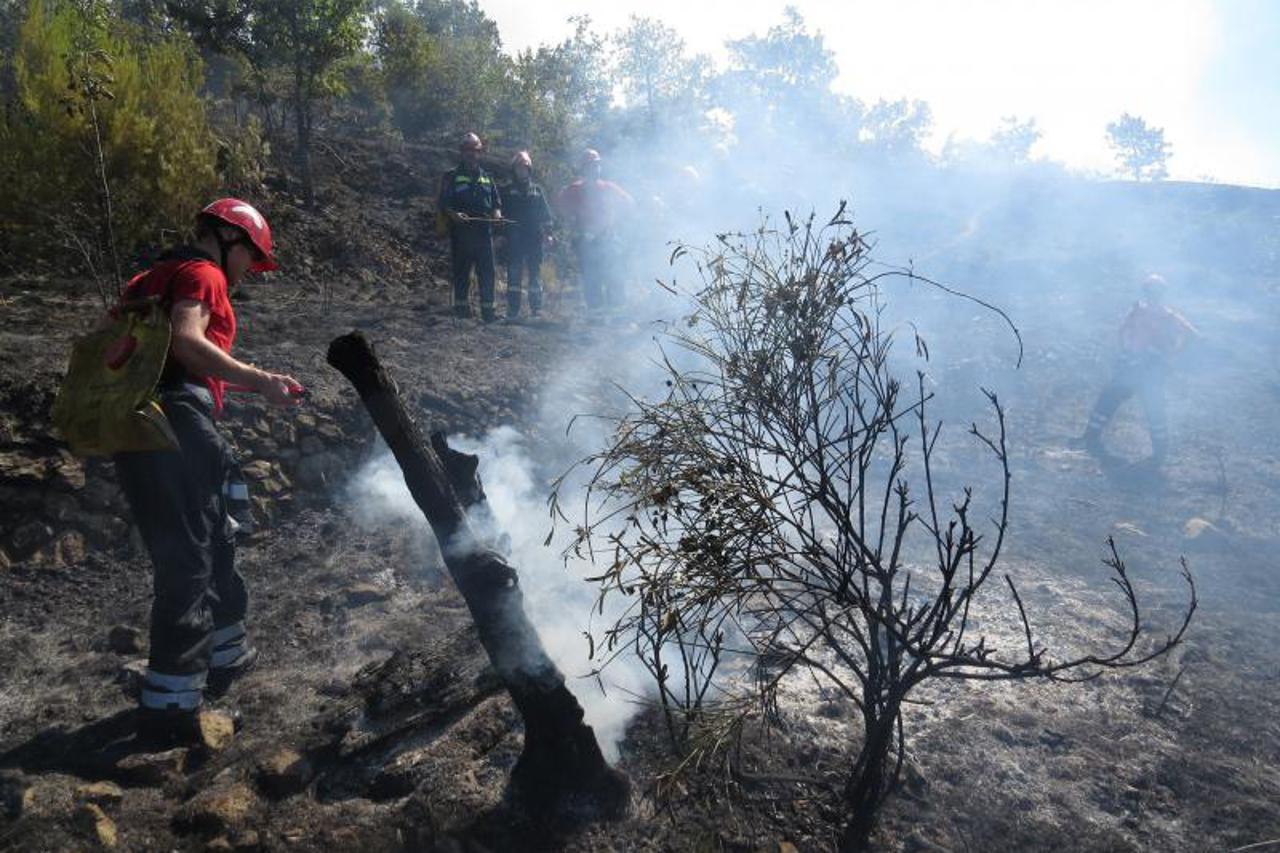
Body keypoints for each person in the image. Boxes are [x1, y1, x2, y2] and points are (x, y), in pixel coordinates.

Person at [111, 198, 301, 745]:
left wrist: (258, 383)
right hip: (177, 427)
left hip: (138, 427)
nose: (248, 273)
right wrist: (260, 377)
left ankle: (226, 655)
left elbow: (139, 356)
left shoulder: (147, 279)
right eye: (251, 259)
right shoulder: (203, 272)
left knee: (209, 538)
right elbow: (189, 343)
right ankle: (170, 709)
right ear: (228, 239)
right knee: (190, 561)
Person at [1077, 274, 1199, 466]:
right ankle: (1092, 439)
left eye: (1153, 291)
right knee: (1118, 400)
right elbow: (1123, 334)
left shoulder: (1163, 316)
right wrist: (1165, 355)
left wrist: (1165, 355)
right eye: (1151, 291)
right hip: (1138, 368)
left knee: (1137, 405)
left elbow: (1191, 336)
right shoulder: (1146, 312)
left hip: (1146, 369)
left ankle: (1157, 453)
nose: (1152, 294)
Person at [555, 148, 635, 315]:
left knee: (614, 274)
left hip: (608, 238)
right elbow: (561, 206)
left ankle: (617, 313)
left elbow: (629, 204)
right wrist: (573, 221)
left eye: (597, 165)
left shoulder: (608, 188)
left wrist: (615, 222)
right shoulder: (575, 189)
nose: (595, 169)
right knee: (592, 277)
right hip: (587, 241)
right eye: (591, 166)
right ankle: (596, 314)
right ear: (584, 169)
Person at [439, 132, 503, 322]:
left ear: (480, 152)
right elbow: (444, 203)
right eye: (467, 150)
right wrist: (454, 215)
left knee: (487, 273)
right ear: (462, 152)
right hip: (462, 232)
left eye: (475, 150)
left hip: (484, 233)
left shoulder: (487, 177)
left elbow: (496, 203)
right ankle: (461, 312)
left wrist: (497, 215)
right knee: (462, 272)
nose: (471, 154)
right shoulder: (452, 176)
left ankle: (488, 313)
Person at [500, 150, 554, 320]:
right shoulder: (506, 191)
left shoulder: (537, 190)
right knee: (514, 274)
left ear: (529, 169)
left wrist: (549, 233)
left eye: (525, 168)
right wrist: (500, 235)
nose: (522, 171)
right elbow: (499, 215)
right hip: (514, 239)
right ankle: (513, 311)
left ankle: (536, 309)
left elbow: (546, 215)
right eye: (518, 168)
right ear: (514, 170)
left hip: (534, 239)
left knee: (535, 274)